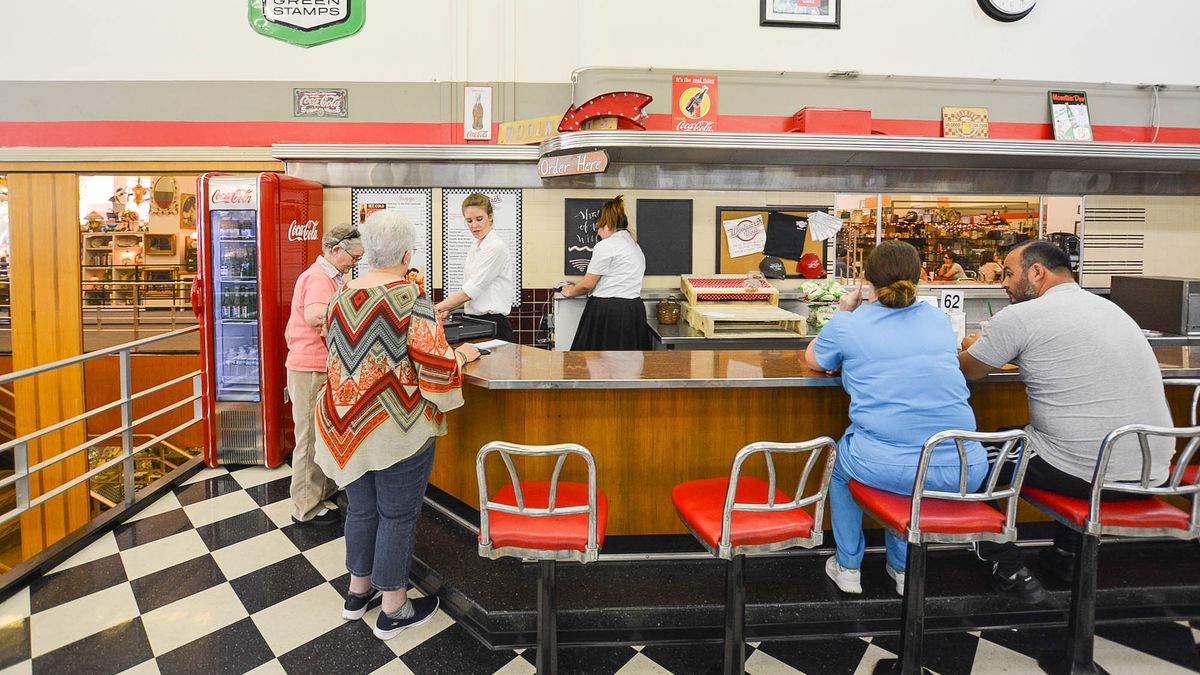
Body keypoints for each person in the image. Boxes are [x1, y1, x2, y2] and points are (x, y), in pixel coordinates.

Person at [960, 239, 1174, 587]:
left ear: (1037, 272)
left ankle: (1008, 566)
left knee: (969, 458)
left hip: (1087, 474)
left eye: (1008, 274)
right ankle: (1068, 556)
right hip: (1153, 472)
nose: (1002, 282)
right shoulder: (1110, 309)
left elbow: (968, 370)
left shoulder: (1021, 316)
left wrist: (972, 346)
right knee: (1062, 438)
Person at [314, 210, 481, 640]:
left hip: (342, 424)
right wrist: (463, 357)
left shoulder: (340, 294)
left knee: (362, 509)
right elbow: (435, 366)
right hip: (395, 427)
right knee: (397, 515)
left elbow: (337, 352)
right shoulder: (410, 298)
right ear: (407, 254)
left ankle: (357, 592)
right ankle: (395, 607)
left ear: (367, 251)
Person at [806, 241, 987, 597]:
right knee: (905, 464)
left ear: (864, 279)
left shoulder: (850, 325)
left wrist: (845, 312)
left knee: (845, 464)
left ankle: (848, 566)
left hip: (891, 467)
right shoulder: (937, 320)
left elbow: (815, 360)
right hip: (967, 467)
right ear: (919, 276)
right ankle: (902, 568)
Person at [284, 223, 363, 527]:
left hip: (320, 366)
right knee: (309, 437)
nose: (355, 263)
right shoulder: (319, 277)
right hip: (310, 367)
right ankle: (304, 507)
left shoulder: (332, 277)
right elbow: (316, 315)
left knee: (323, 435)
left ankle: (323, 491)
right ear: (335, 250)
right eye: (353, 257)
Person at [559, 195, 650, 350]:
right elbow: (612, 278)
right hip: (633, 310)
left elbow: (588, 285)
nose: (598, 234)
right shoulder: (634, 246)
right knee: (627, 363)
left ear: (607, 225)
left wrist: (569, 291)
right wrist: (579, 283)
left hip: (608, 311)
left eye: (598, 229)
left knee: (597, 363)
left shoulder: (606, 246)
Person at [433, 193, 515, 342]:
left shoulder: (495, 247)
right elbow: (472, 291)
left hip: (494, 325)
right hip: (476, 321)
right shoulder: (476, 246)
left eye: (479, 219)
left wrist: (436, 309)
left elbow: (470, 291)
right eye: (469, 221)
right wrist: (448, 308)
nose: (474, 225)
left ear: (490, 216)